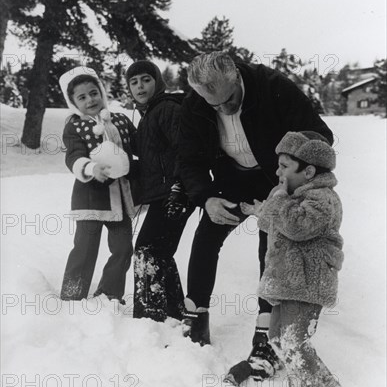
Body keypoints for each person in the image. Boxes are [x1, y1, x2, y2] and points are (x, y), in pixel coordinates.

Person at [178, 51, 334, 358]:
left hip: (275, 180)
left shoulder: (272, 86)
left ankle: (267, 329)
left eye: (229, 99)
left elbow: (319, 138)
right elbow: (189, 160)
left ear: (236, 75)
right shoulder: (195, 105)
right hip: (231, 178)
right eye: (216, 105)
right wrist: (206, 198)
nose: (224, 108)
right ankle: (195, 314)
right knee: (207, 236)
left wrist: (290, 183)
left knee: (272, 248)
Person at [238, 131, 345, 387]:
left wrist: (278, 201)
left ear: (308, 171)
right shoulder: (294, 196)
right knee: (277, 338)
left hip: (308, 282)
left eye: (284, 166)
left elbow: (297, 227)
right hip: (287, 281)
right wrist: (263, 210)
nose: (278, 171)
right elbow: (276, 225)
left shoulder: (323, 198)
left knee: (294, 342)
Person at [59, 67, 137, 303]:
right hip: (90, 198)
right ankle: (72, 294)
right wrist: (91, 168)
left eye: (94, 93)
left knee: (123, 248)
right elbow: (73, 156)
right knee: (84, 248)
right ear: (73, 102)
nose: (90, 100)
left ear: (102, 92)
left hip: (121, 200)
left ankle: (110, 294)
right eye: (82, 97)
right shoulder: (75, 126)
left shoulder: (121, 120)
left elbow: (139, 146)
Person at [125, 60, 194, 322]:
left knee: (146, 250)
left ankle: (150, 318)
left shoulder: (165, 109)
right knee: (159, 253)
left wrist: (180, 187)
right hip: (164, 194)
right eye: (134, 82)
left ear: (157, 82)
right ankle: (174, 312)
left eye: (145, 79)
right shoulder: (149, 116)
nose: (140, 86)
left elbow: (185, 149)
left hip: (175, 192)